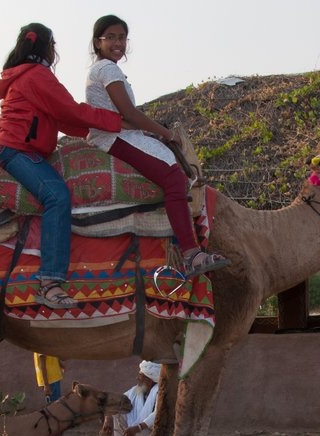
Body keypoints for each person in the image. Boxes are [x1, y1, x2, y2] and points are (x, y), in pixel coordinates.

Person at [0, 22, 130, 309]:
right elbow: (72, 110)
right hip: (17, 150)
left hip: (25, 149)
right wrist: (116, 122)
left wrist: (96, 132)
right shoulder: (37, 76)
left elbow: (62, 119)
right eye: (53, 46)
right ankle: (50, 282)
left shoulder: (30, 76)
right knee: (57, 196)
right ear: (46, 47)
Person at [85, 14, 230, 279]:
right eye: (111, 38)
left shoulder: (107, 70)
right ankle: (191, 254)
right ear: (98, 42)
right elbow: (129, 113)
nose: (118, 43)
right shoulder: (107, 70)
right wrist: (165, 133)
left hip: (121, 133)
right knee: (174, 179)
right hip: (112, 137)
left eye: (122, 37)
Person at [100, 360, 161, 436]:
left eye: (140, 376)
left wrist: (138, 428)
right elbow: (119, 400)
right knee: (118, 412)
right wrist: (108, 418)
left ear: (149, 380)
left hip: (152, 431)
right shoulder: (137, 390)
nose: (137, 378)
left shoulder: (159, 391)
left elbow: (157, 413)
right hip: (136, 430)